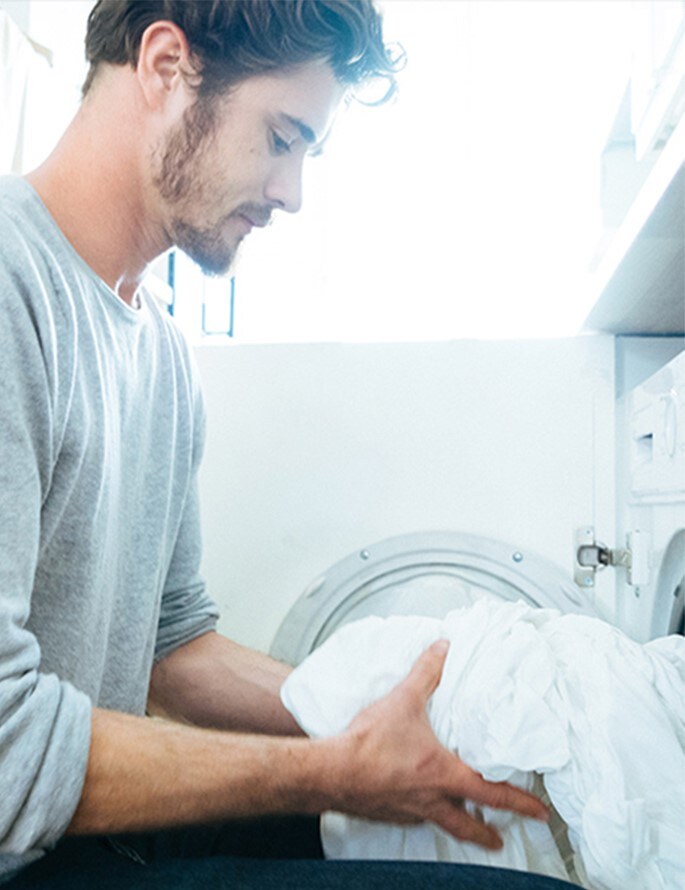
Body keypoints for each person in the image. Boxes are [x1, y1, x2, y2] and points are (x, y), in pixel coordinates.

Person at [0, 2, 575, 887]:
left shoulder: (159, 353)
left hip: (89, 837)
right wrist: (337, 771)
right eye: (280, 137)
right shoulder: (11, 291)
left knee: (483, 844)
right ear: (163, 67)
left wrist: (401, 714)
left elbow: (173, 649)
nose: (292, 192)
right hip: (22, 853)